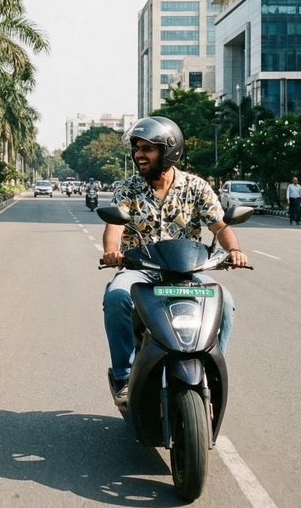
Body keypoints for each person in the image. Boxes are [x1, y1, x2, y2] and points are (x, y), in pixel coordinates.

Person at [101, 116, 250, 406]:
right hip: (142, 271)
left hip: (187, 273)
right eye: (137, 149)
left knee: (225, 304)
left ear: (169, 151)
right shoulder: (128, 188)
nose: (139, 155)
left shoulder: (196, 187)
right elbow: (115, 226)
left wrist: (235, 251)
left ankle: (211, 369)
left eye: (148, 149)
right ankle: (123, 376)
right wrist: (112, 251)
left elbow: (219, 227)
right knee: (117, 296)